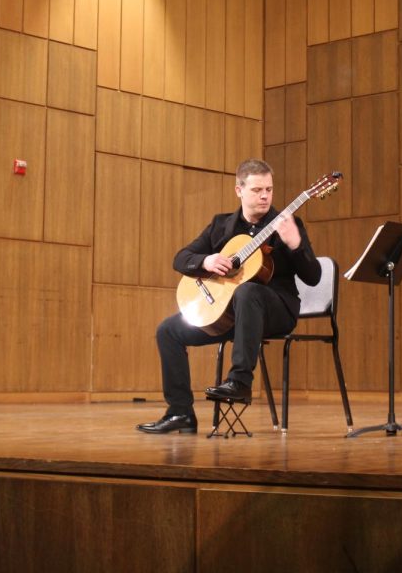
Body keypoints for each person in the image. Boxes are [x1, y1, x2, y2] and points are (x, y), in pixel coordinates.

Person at [137, 158, 321, 434]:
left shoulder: (286, 224)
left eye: (269, 190)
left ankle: (240, 381)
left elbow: (313, 277)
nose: (264, 196)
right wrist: (206, 261)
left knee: (249, 290)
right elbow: (181, 258)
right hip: (229, 315)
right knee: (168, 331)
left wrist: (295, 244)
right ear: (239, 190)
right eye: (257, 190)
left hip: (276, 310)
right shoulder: (221, 225)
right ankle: (180, 412)